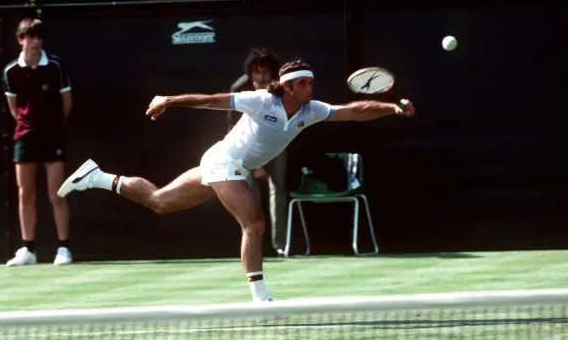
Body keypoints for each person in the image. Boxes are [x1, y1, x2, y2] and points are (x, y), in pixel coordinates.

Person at [57, 58, 414, 301]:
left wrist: (392, 108)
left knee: (160, 202)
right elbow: (212, 100)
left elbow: (354, 111)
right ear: (286, 87)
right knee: (254, 223)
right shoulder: (261, 100)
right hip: (224, 161)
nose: (309, 87)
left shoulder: (311, 110)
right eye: (302, 83)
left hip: (226, 165)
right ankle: (261, 298)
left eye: (311, 82)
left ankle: (98, 176)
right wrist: (169, 100)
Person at [2, 18, 74, 267]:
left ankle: (64, 248)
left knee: (57, 193)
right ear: (20, 40)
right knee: (26, 194)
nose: (35, 42)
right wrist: (28, 125)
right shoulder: (11, 71)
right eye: (30, 37)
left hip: (53, 135)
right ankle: (28, 250)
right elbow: (14, 108)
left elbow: (67, 104)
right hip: (25, 136)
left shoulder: (55, 66)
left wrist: (52, 125)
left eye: (38, 37)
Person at [228, 48, 289, 255]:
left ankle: (280, 245)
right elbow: (233, 127)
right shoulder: (239, 89)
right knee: (247, 196)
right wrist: (256, 165)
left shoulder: (281, 89)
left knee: (278, 191)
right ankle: (254, 245)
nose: (262, 77)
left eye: (266, 72)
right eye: (257, 72)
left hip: (276, 145)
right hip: (243, 149)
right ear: (251, 73)